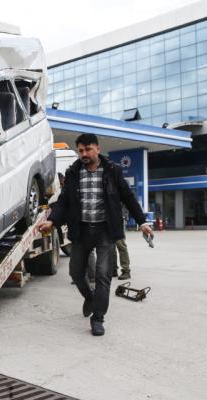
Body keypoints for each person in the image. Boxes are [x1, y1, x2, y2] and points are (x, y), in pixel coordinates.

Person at [38, 133, 153, 336]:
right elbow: (64, 201)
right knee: (75, 272)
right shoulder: (73, 172)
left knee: (103, 275)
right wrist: (52, 220)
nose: (84, 154)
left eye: (88, 149)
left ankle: (98, 318)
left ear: (97, 149)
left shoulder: (112, 171)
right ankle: (90, 297)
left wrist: (142, 221)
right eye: (81, 150)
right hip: (81, 231)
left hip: (105, 232)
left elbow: (128, 197)